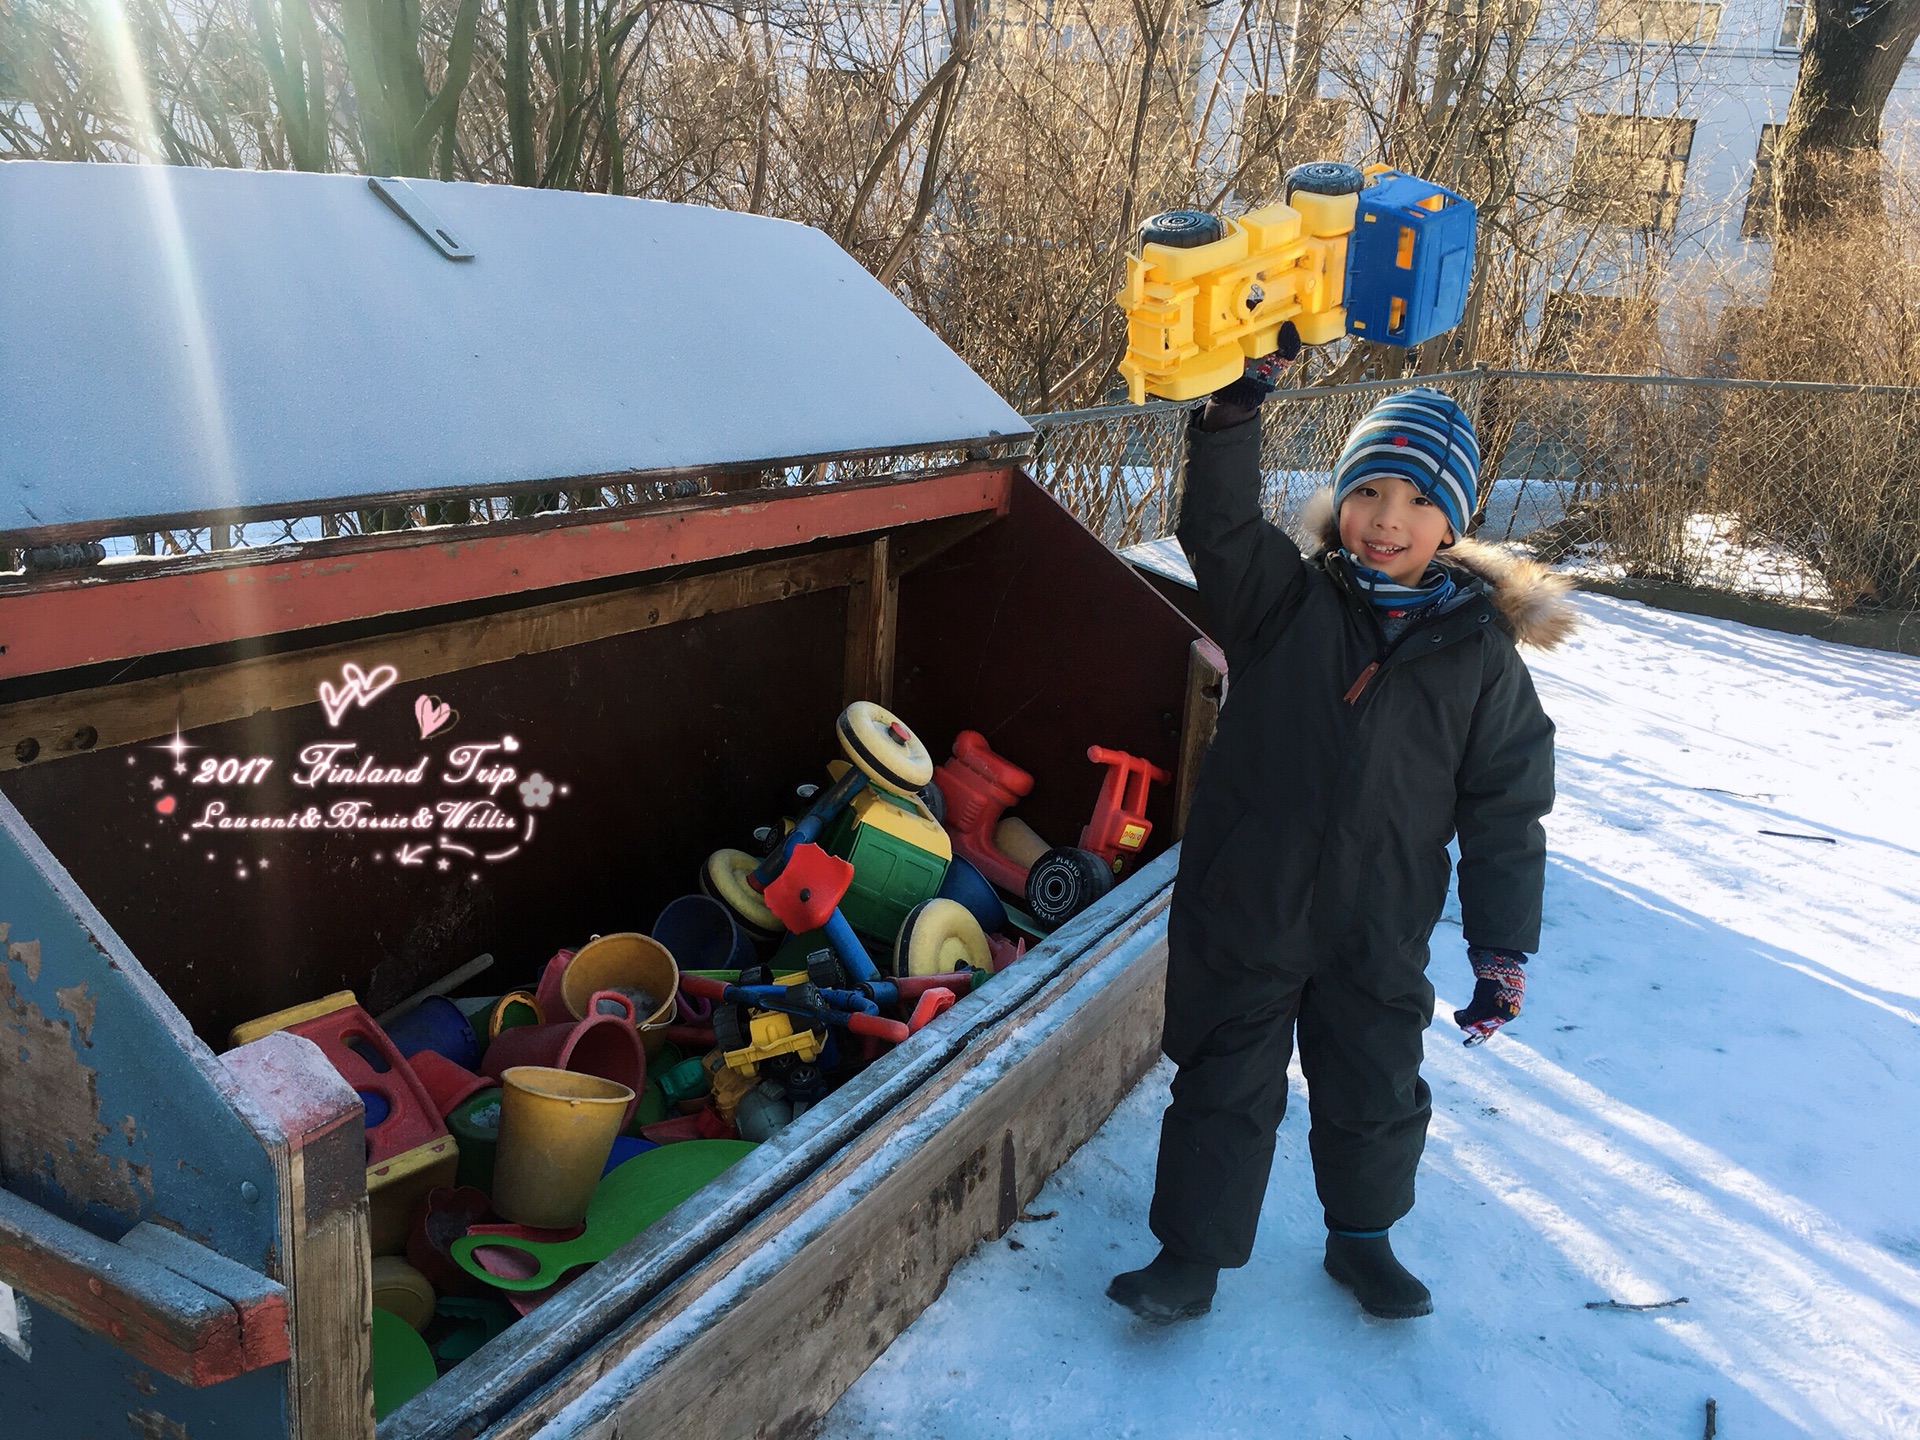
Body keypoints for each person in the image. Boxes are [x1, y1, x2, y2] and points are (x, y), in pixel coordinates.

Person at [1107, 351, 1574, 1324]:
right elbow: (1221, 529)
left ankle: (1363, 1240)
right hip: (1251, 899)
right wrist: (1234, 412)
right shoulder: (1286, 602)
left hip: (1379, 917)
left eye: (1413, 497)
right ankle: (1188, 1257)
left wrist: (1500, 950)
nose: (1385, 517)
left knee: (1374, 1084)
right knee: (1225, 1082)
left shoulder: (1479, 657)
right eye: (1366, 489)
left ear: (1452, 522)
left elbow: (1507, 808)